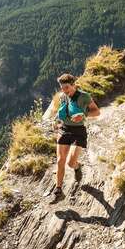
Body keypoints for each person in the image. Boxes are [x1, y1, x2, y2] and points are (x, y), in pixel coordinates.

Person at [49, 73, 100, 204]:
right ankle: (58, 191)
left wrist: (83, 115)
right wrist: (56, 122)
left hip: (79, 131)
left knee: (71, 162)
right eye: (61, 87)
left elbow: (97, 112)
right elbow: (61, 111)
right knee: (60, 160)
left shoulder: (84, 96)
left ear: (74, 85)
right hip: (64, 129)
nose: (63, 90)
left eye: (66, 87)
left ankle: (77, 167)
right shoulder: (62, 96)